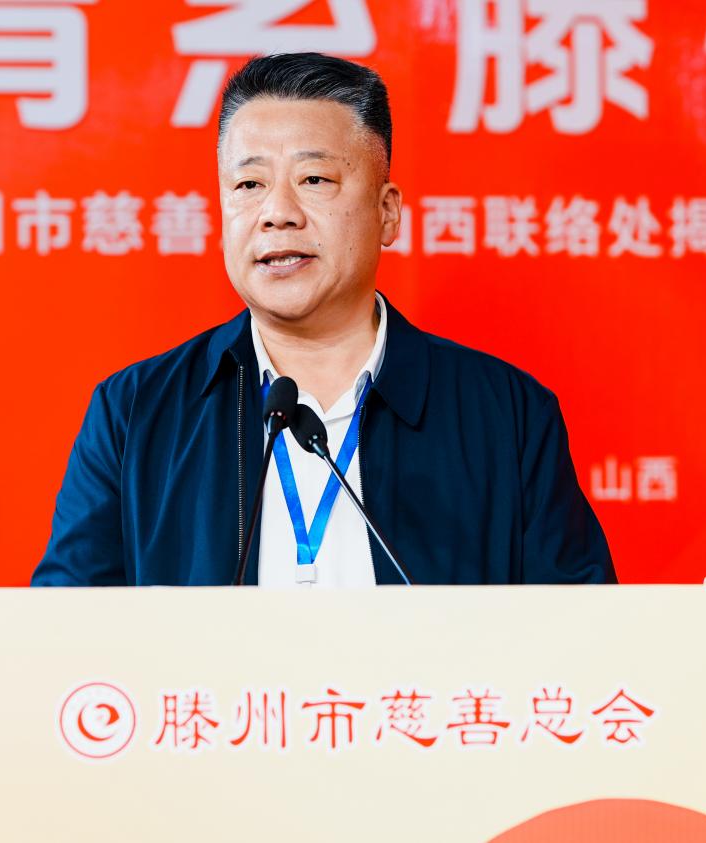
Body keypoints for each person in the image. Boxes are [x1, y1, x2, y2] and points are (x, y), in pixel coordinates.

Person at [31, 52, 615, 588]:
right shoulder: (135, 412)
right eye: (249, 184)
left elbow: (581, 635)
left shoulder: (507, 414)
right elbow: (62, 634)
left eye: (314, 180)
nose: (277, 213)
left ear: (387, 213)